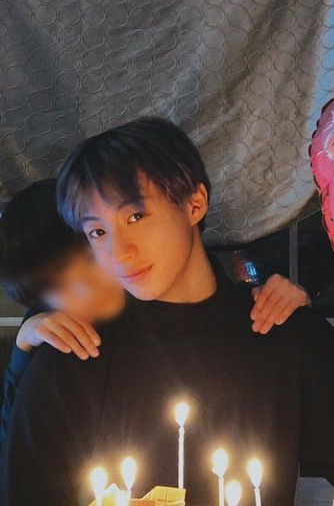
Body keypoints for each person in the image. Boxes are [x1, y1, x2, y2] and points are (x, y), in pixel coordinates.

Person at [1, 117, 334, 505]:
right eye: (97, 231)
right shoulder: (75, 352)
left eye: (136, 215)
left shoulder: (285, 335)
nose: (119, 252)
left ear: (194, 203)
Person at [0, 179, 310, 448]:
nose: (85, 291)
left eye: (89, 262)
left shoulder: (174, 288)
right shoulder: (51, 328)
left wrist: (287, 305)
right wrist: (23, 350)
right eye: (58, 287)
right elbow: (13, 454)